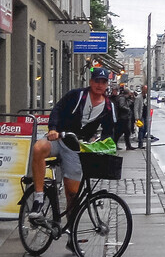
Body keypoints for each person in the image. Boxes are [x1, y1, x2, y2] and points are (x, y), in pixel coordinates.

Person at [28, 67, 120, 221]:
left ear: (107, 85)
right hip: (59, 138)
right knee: (38, 148)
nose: (99, 85)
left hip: (77, 148)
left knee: (73, 193)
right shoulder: (77, 95)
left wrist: (102, 146)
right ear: (90, 81)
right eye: (97, 81)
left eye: (103, 82)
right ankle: (38, 198)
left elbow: (109, 132)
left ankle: (70, 227)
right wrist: (53, 129)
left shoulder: (108, 106)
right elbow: (57, 109)